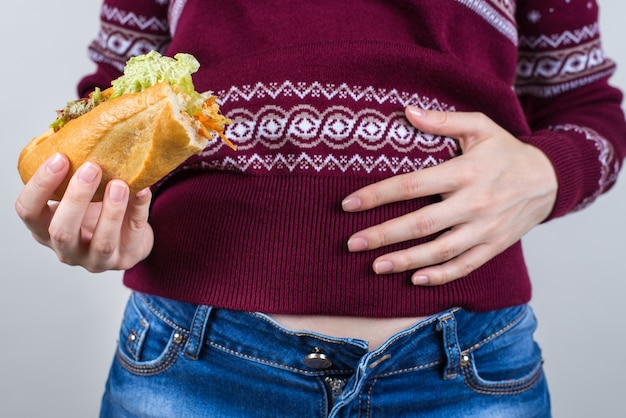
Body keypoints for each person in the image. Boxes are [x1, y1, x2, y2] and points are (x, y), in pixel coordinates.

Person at [15, 0, 626, 417]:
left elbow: (588, 109)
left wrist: (548, 172)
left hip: (467, 368)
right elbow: (115, 96)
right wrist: (94, 204)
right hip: (192, 359)